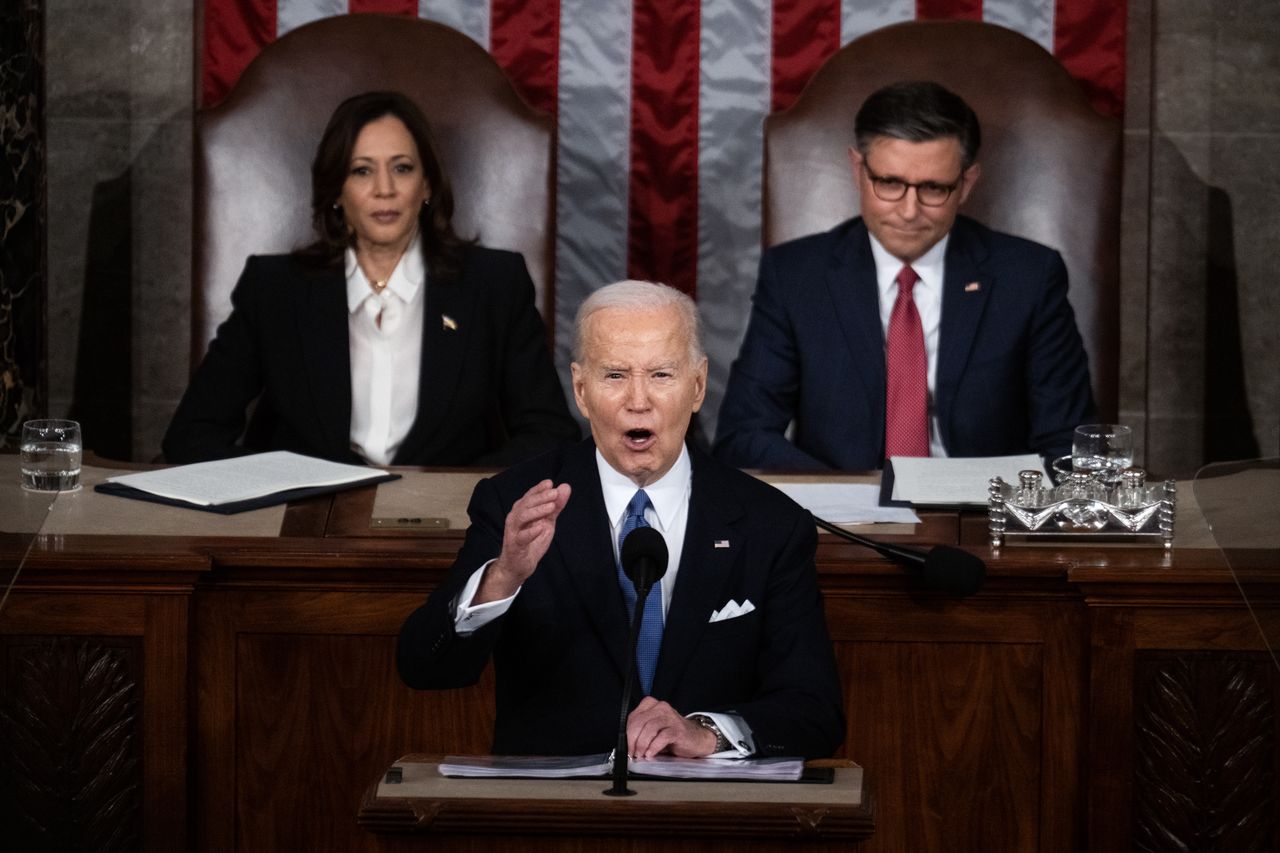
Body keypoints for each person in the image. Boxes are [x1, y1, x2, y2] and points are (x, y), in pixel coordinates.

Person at [397, 280, 844, 759]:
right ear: (581, 390)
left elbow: (814, 710)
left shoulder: (769, 523)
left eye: (661, 375)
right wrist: (504, 576)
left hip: (709, 814)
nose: (638, 400)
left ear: (697, 387)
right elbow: (425, 669)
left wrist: (707, 734)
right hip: (553, 817)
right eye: (614, 376)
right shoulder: (516, 502)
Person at [163, 91, 578, 467]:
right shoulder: (274, 289)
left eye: (401, 168)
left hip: (449, 533)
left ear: (427, 183)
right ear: (337, 192)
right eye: (362, 171)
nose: (384, 189)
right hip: (305, 537)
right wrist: (278, 491)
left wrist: (469, 498)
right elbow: (192, 436)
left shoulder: (494, 284)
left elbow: (549, 436)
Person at [714, 80, 1095, 471]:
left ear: (966, 184)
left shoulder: (1029, 277)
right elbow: (744, 435)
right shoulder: (796, 276)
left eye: (933, 188)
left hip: (982, 516)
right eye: (890, 183)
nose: (909, 211)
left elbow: (1069, 442)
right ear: (858, 170)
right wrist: (842, 495)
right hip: (843, 516)